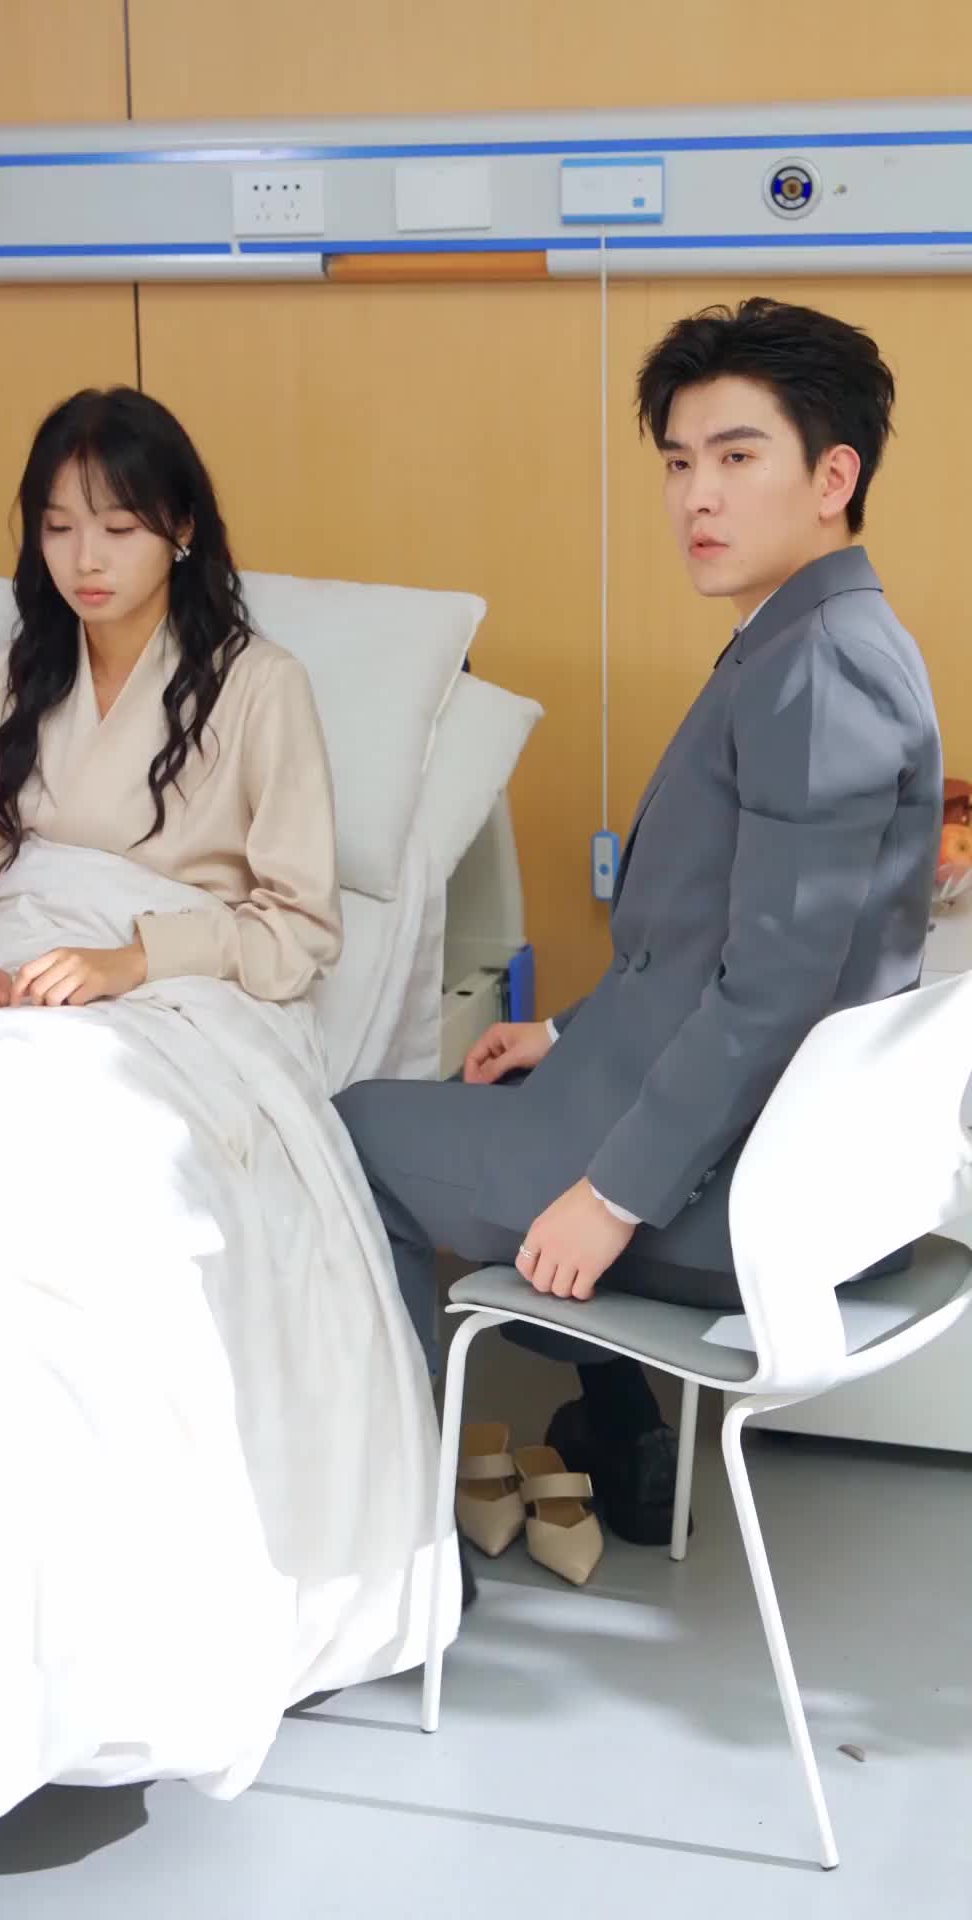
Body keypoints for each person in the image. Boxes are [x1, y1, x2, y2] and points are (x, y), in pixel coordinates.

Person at [336, 297, 943, 1551]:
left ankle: (400, 1543)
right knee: (487, 1085)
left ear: (834, 478)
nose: (695, 497)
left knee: (351, 1134)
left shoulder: (819, 668)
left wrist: (610, 1198)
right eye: (677, 462)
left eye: (737, 456)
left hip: (739, 1199)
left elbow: (772, 988)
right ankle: (616, 1428)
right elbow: (705, 942)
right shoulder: (807, 636)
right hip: (756, 1147)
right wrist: (563, 1034)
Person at [0, 385, 341, 1009]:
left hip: (186, 988)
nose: (86, 560)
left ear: (182, 528)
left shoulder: (262, 686)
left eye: (119, 528)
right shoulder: (9, 678)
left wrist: (132, 961)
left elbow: (302, 926)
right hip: (21, 976)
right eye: (59, 528)